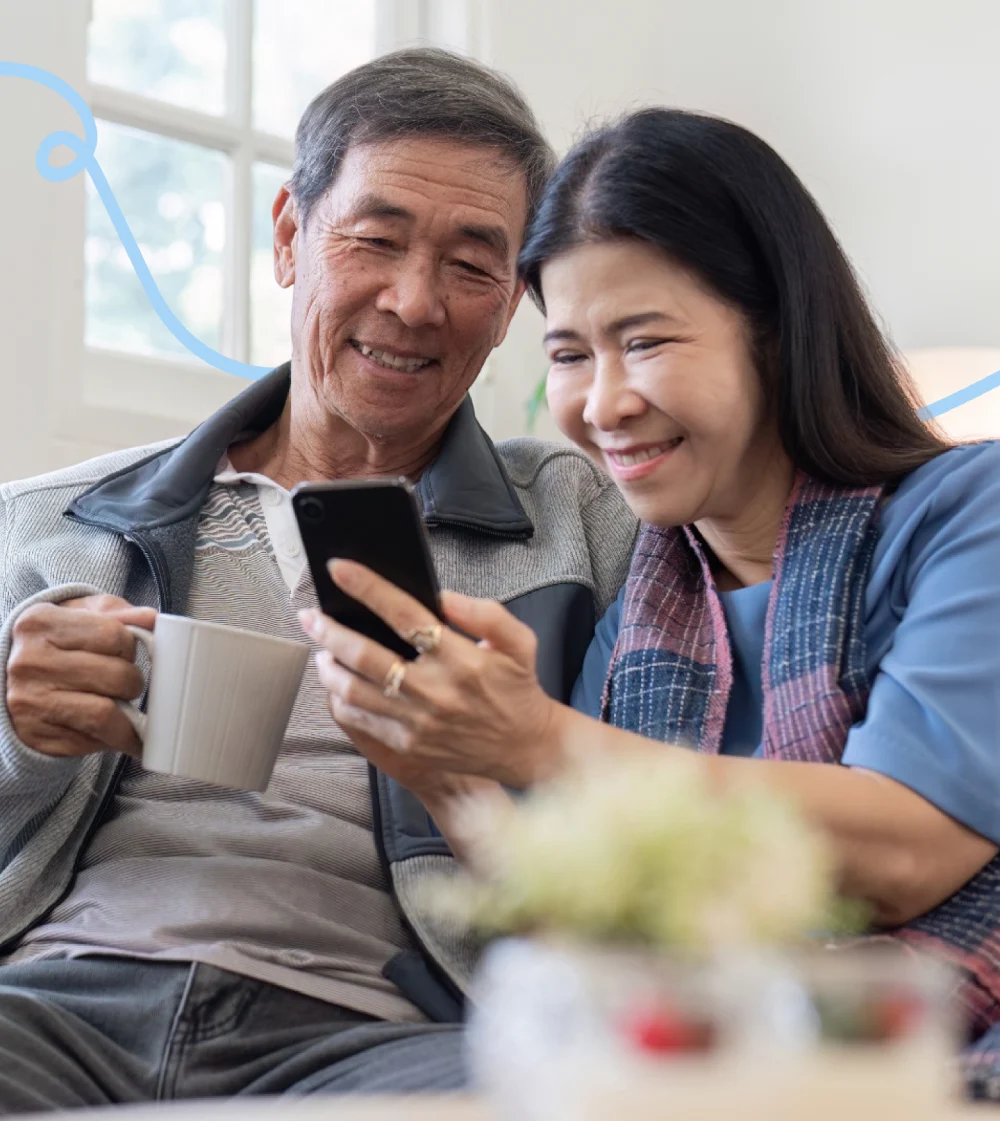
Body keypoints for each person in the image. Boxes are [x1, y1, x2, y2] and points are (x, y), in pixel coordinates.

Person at [305, 108, 1000, 1095]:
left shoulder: (967, 514)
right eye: (569, 354)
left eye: (644, 340)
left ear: (776, 331)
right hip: (712, 1074)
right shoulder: (648, 605)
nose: (602, 402)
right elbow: (596, 944)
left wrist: (540, 740)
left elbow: (905, 848)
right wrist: (449, 771)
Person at [0, 49, 637, 1111]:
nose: (413, 300)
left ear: (515, 299)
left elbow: (661, 818)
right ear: (291, 236)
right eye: (375, 240)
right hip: (54, 999)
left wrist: (501, 750)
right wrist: (19, 734)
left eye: (473, 266)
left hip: (385, 1031)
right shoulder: (52, 522)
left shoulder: (582, 527)